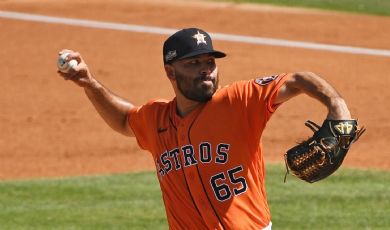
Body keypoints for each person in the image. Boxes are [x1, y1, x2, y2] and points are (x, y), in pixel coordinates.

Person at [57, 28, 351, 230]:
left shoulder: (238, 101)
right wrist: (89, 83)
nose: (206, 69)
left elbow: (298, 80)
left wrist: (336, 104)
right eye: (194, 63)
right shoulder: (156, 118)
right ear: (170, 72)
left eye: (210, 62)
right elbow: (124, 121)